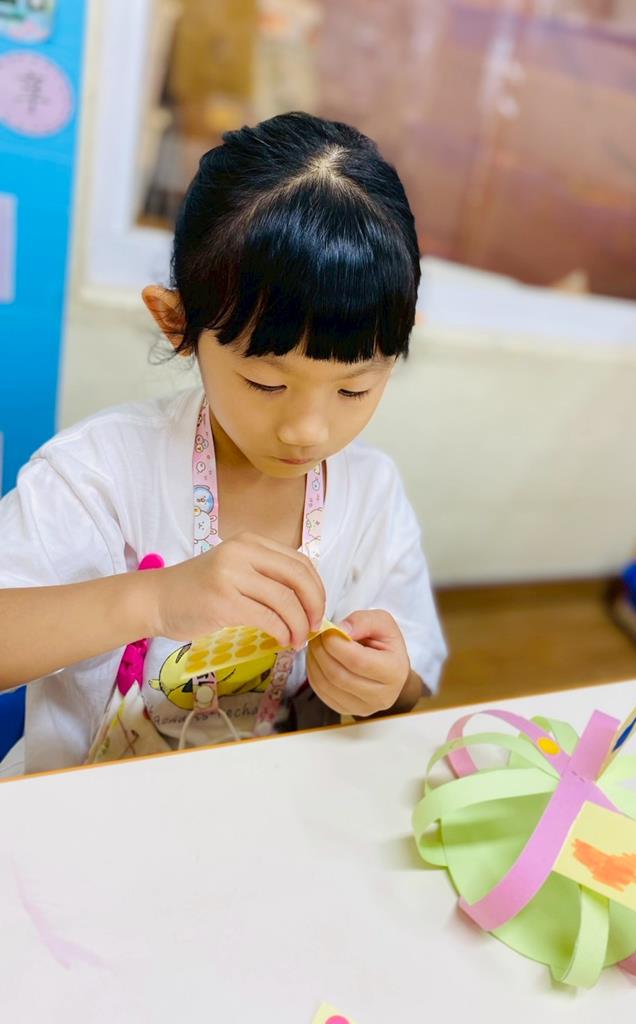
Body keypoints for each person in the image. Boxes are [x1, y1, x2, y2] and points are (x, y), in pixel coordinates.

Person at [0, 112, 447, 772]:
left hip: (269, 804)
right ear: (176, 322)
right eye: (266, 383)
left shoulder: (372, 494)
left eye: (354, 389)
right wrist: (153, 601)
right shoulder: (99, 472)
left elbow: (411, 679)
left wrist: (386, 684)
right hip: (89, 808)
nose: (307, 429)